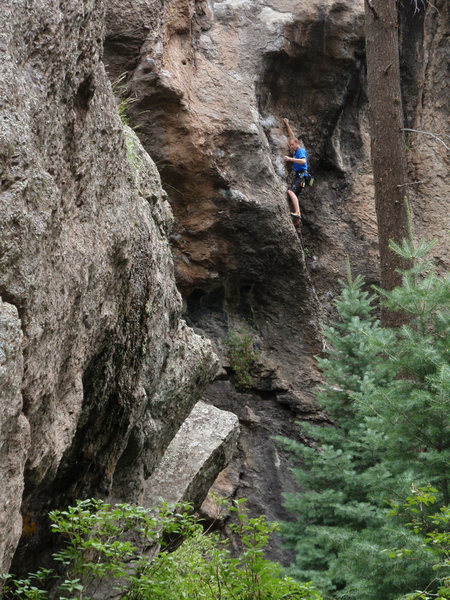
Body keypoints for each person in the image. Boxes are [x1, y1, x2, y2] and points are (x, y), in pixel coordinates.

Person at [283, 118, 308, 220]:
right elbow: (292, 136)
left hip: (301, 175)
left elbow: (303, 161)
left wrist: (290, 159)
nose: (291, 147)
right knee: (293, 197)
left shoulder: (300, 151)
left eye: (292, 145)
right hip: (300, 176)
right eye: (290, 145)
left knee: (290, 191)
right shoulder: (297, 150)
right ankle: (297, 222)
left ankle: (297, 212)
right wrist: (287, 124)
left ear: (297, 143)